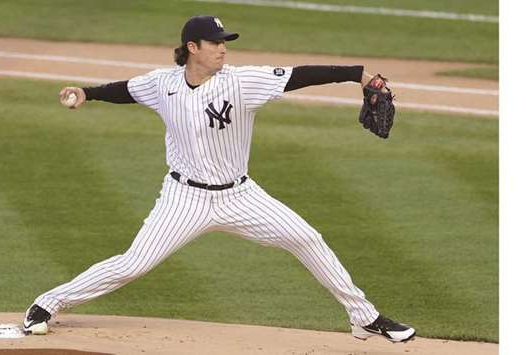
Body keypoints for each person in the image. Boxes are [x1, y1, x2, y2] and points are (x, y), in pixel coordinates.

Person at [23, 15, 415, 343]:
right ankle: (48, 303)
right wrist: (87, 94)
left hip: (240, 196)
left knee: (307, 238)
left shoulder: (242, 81)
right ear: (192, 47)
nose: (223, 48)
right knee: (133, 264)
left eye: (224, 42)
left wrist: (357, 75)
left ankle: (364, 316)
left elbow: (300, 75)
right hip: (183, 198)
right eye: (215, 42)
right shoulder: (165, 84)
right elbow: (126, 89)